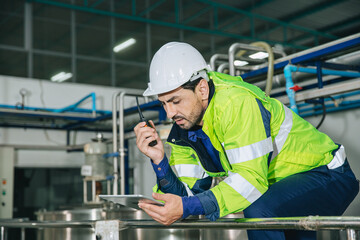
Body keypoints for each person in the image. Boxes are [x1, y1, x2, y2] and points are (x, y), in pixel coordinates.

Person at [134, 42, 359, 240]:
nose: (169, 113)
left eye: (175, 101)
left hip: (327, 174)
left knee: (259, 210)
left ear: (202, 88)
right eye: (163, 104)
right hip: (282, 188)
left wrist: (187, 207)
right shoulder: (185, 130)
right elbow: (186, 197)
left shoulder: (235, 103)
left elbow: (251, 181)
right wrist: (160, 161)